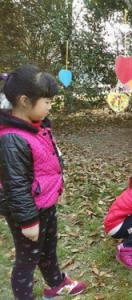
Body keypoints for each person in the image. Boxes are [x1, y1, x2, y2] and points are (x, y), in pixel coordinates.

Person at [0, 65, 87, 299]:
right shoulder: (11, 138)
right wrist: (28, 220)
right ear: (25, 101)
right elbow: (15, 185)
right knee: (27, 259)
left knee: (48, 249)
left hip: (45, 204)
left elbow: (49, 164)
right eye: (47, 102)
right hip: (27, 212)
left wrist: (58, 187)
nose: (50, 107)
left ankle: (55, 283)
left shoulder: (38, 128)